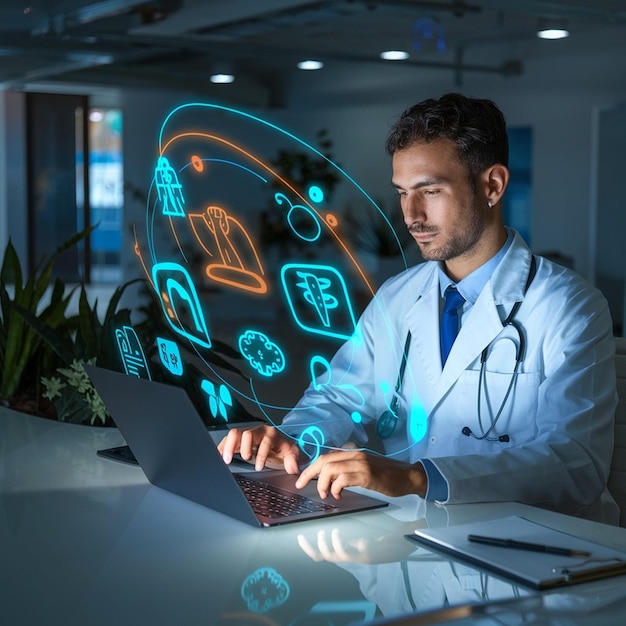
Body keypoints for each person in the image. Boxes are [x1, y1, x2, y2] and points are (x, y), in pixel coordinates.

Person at [219, 92, 619, 524]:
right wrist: (294, 439)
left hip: (538, 544)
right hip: (416, 541)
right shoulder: (399, 295)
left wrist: (419, 478)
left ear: (493, 185)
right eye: (403, 193)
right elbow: (338, 396)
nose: (411, 215)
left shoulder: (569, 306)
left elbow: (576, 465)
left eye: (430, 191)